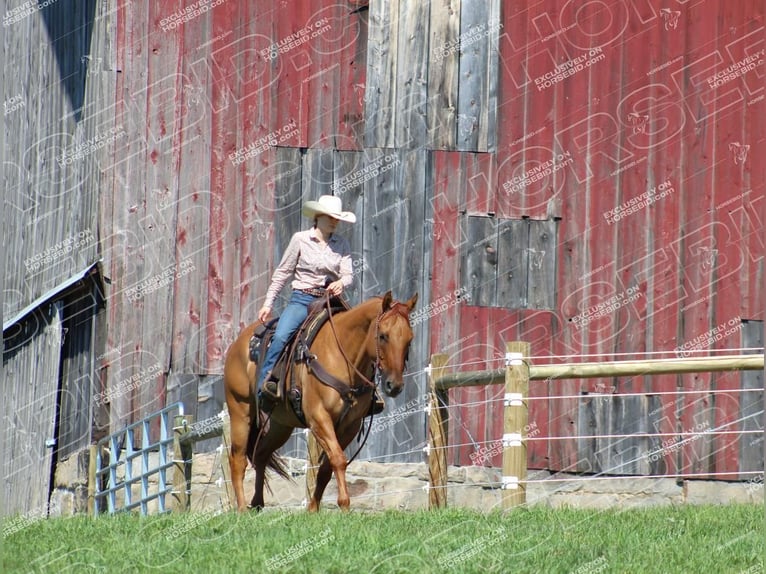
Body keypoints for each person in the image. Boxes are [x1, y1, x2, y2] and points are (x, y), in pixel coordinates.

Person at [256, 195, 356, 408]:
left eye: (337, 219)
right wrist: (268, 303)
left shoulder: (342, 244)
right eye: (330, 217)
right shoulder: (300, 239)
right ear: (317, 217)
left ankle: (365, 390)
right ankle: (265, 385)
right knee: (282, 336)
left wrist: (341, 283)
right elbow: (283, 272)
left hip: (330, 301)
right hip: (302, 300)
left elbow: (348, 274)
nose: (334, 222)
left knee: (356, 335)